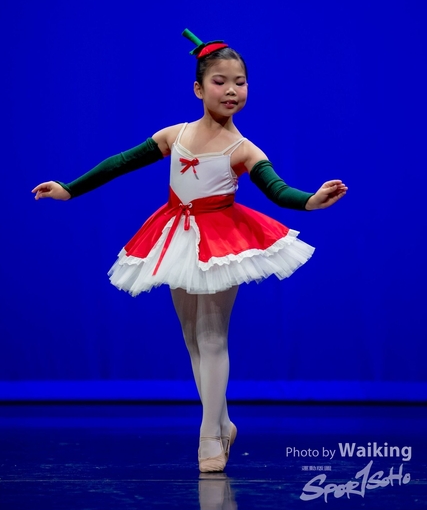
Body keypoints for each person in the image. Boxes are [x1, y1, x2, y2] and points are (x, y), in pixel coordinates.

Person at [31, 28, 348, 473]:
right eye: (220, 81)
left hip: (222, 240)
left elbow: (277, 189)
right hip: (177, 236)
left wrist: (311, 200)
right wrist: (69, 188)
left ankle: (209, 436)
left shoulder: (244, 149)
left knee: (213, 336)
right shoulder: (175, 135)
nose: (232, 90)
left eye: (240, 82)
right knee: (192, 337)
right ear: (199, 89)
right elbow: (120, 162)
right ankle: (223, 422)